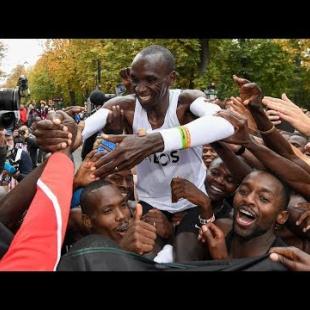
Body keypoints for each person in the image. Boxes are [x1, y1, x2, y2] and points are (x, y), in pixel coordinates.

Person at [34, 45, 235, 261]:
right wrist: (59, 131)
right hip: (149, 203)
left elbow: (227, 121)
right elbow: (81, 130)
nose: (140, 89)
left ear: (171, 78)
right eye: (135, 80)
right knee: (144, 260)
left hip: (190, 204)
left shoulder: (186, 102)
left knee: (185, 260)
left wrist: (155, 141)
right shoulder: (124, 106)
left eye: (150, 80)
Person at [198, 170, 290, 260]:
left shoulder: (280, 261)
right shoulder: (221, 231)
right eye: (243, 191)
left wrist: (221, 261)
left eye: (263, 198)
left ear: (282, 217)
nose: (248, 199)